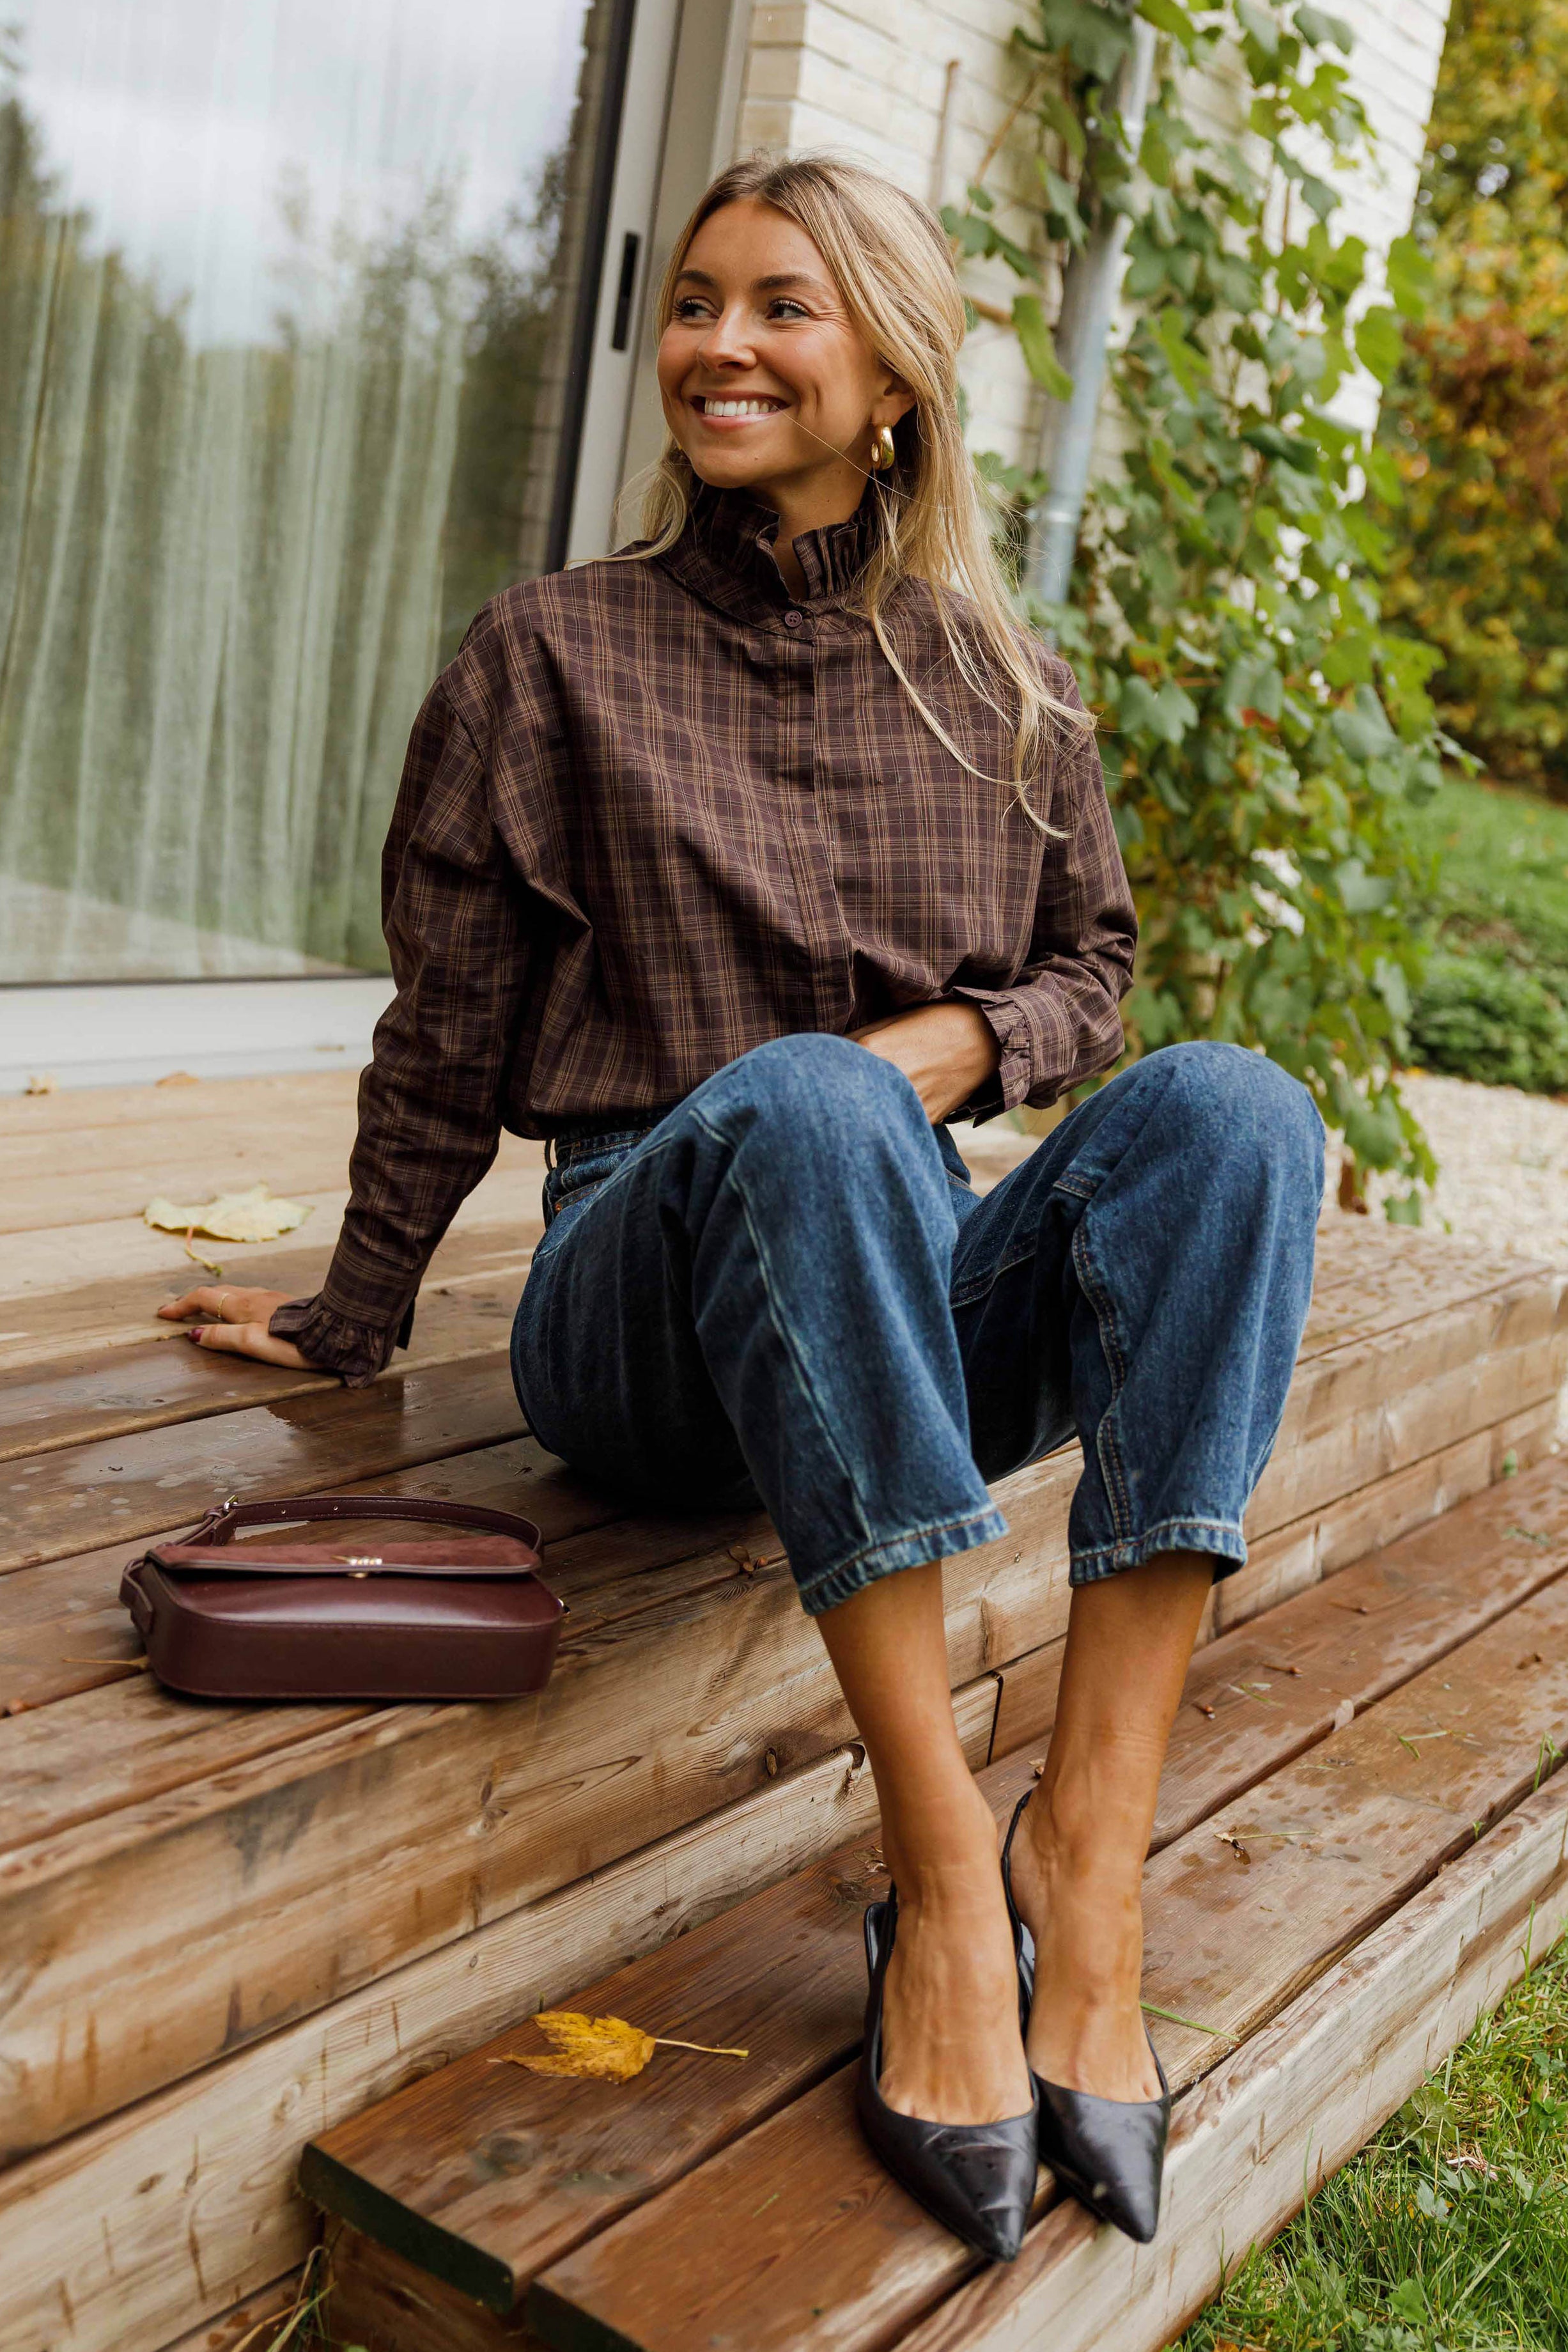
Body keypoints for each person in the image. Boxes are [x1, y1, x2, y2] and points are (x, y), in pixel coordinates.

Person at [160, 152, 1322, 2262]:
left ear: (892, 372)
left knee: (1239, 1112)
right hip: (642, 1316)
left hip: (902, 1290)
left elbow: (1096, 963)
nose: (718, 343)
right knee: (796, 1101)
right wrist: (352, 1306)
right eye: (696, 302)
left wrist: (972, 1048)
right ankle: (950, 1874)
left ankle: (1096, 1857)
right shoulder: (551, 659)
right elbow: (448, 1024)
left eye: (783, 305)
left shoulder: (1004, 686)